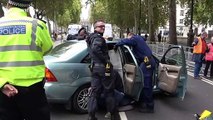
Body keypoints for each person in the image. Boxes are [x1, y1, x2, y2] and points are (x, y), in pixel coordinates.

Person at [0, 0, 53, 120]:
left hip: (4, 88)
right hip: (33, 89)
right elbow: (48, 48)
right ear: (28, 7)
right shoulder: (37, 25)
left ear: (8, 5)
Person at [86, 20, 120, 120]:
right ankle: (111, 114)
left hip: (95, 68)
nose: (103, 28)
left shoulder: (90, 38)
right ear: (95, 28)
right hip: (103, 69)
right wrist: (107, 61)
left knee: (94, 92)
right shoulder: (98, 38)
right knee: (109, 91)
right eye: (100, 27)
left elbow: (92, 51)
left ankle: (91, 116)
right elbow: (96, 49)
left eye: (104, 27)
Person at [114, 32, 156, 113]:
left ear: (130, 36)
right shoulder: (139, 39)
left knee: (146, 85)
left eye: (128, 37)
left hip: (147, 61)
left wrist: (117, 44)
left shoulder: (135, 38)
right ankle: (144, 102)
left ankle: (150, 106)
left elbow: (126, 41)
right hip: (147, 61)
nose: (128, 39)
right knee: (144, 83)